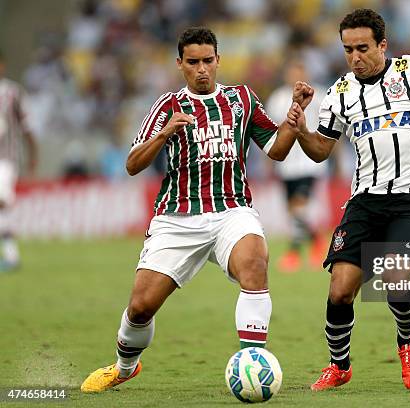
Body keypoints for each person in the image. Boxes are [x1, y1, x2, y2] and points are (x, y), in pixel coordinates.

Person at [81, 27, 309, 392]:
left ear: (218, 61)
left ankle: (252, 363)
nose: (201, 69)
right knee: (140, 308)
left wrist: (295, 116)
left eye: (207, 61)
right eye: (193, 62)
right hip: (177, 218)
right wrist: (163, 134)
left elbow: (277, 150)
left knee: (254, 262)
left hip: (232, 210)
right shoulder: (167, 106)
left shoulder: (242, 100)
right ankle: (125, 367)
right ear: (180, 64)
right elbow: (132, 164)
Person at [288, 9, 410, 391]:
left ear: (383, 45)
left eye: (362, 48)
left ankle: (408, 346)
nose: (355, 57)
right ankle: (339, 366)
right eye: (348, 50)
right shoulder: (339, 94)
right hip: (365, 203)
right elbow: (319, 151)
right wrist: (299, 130)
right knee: (340, 289)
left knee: (396, 273)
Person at [266, 58, 327, 272]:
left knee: (300, 206)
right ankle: (316, 239)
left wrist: (334, 160)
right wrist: (270, 162)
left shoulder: (319, 95)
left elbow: (329, 131)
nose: (295, 77)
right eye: (291, 72)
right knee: (293, 212)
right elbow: (273, 133)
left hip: (310, 163)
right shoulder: (278, 98)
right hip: (287, 164)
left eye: (299, 71)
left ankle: (293, 253)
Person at [0, 51, 38, 272]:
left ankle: (12, 257)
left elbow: (27, 127)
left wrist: (34, 155)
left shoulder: (12, 93)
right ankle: (11, 255)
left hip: (6, 159)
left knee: (1, 202)